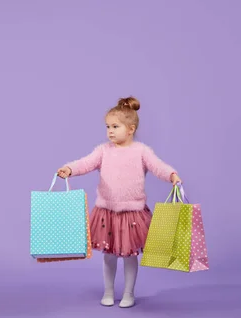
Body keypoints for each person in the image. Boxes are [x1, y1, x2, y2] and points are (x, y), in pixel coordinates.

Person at [56, 96, 181, 308]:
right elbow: (86, 163)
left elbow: (158, 166)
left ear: (131, 129)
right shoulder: (103, 150)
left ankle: (129, 293)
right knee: (109, 255)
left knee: (130, 256)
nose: (110, 131)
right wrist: (70, 168)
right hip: (107, 212)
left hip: (132, 213)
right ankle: (108, 291)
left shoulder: (141, 151)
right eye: (107, 127)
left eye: (115, 126)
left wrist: (171, 175)